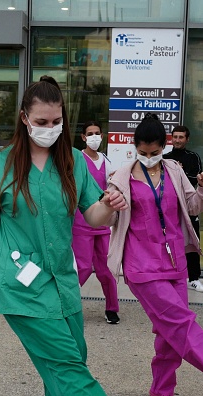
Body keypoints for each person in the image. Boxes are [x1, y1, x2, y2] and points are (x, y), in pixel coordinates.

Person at [0, 76, 127, 395]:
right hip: (21, 286)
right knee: (71, 374)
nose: (50, 127)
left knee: (71, 363)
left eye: (57, 121)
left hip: (63, 281)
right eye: (41, 121)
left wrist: (109, 205)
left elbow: (94, 215)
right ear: (24, 119)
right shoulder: (0, 165)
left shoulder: (73, 162)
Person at [107, 113, 203, 396]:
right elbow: (107, 218)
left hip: (176, 264)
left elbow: (193, 208)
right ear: (134, 147)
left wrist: (201, 187)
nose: (149, 157)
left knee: (169, 339)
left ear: (165, 146)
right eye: (142, 152)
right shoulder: (121, 177)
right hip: (142, 267)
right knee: (182, 325)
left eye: (155, 152)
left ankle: (161, 392)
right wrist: (109, 202)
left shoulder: (174, 170)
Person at [72, 121, 120, 324]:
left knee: (106, 269)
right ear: (83, 137)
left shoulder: (106, 160)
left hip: (102, 223)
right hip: (81, 222)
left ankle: (112, 308)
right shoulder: (76, 159)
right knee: (82, 268)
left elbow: (112, 185)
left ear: (102, 136)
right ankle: (67, 305)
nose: (94, 137)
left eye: (97, 133)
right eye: (89, 134)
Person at [163, 125, 203, 292]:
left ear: (187, 139)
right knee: (169, 243)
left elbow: (197, 179)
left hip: (189, 206)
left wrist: (180, 172)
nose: (177, 140)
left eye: (181, 137)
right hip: (170, 208)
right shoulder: (165, 158)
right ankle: (171, 275)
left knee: (192, 242)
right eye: (175, 137)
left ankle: (193, 278)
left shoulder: (193, 157)